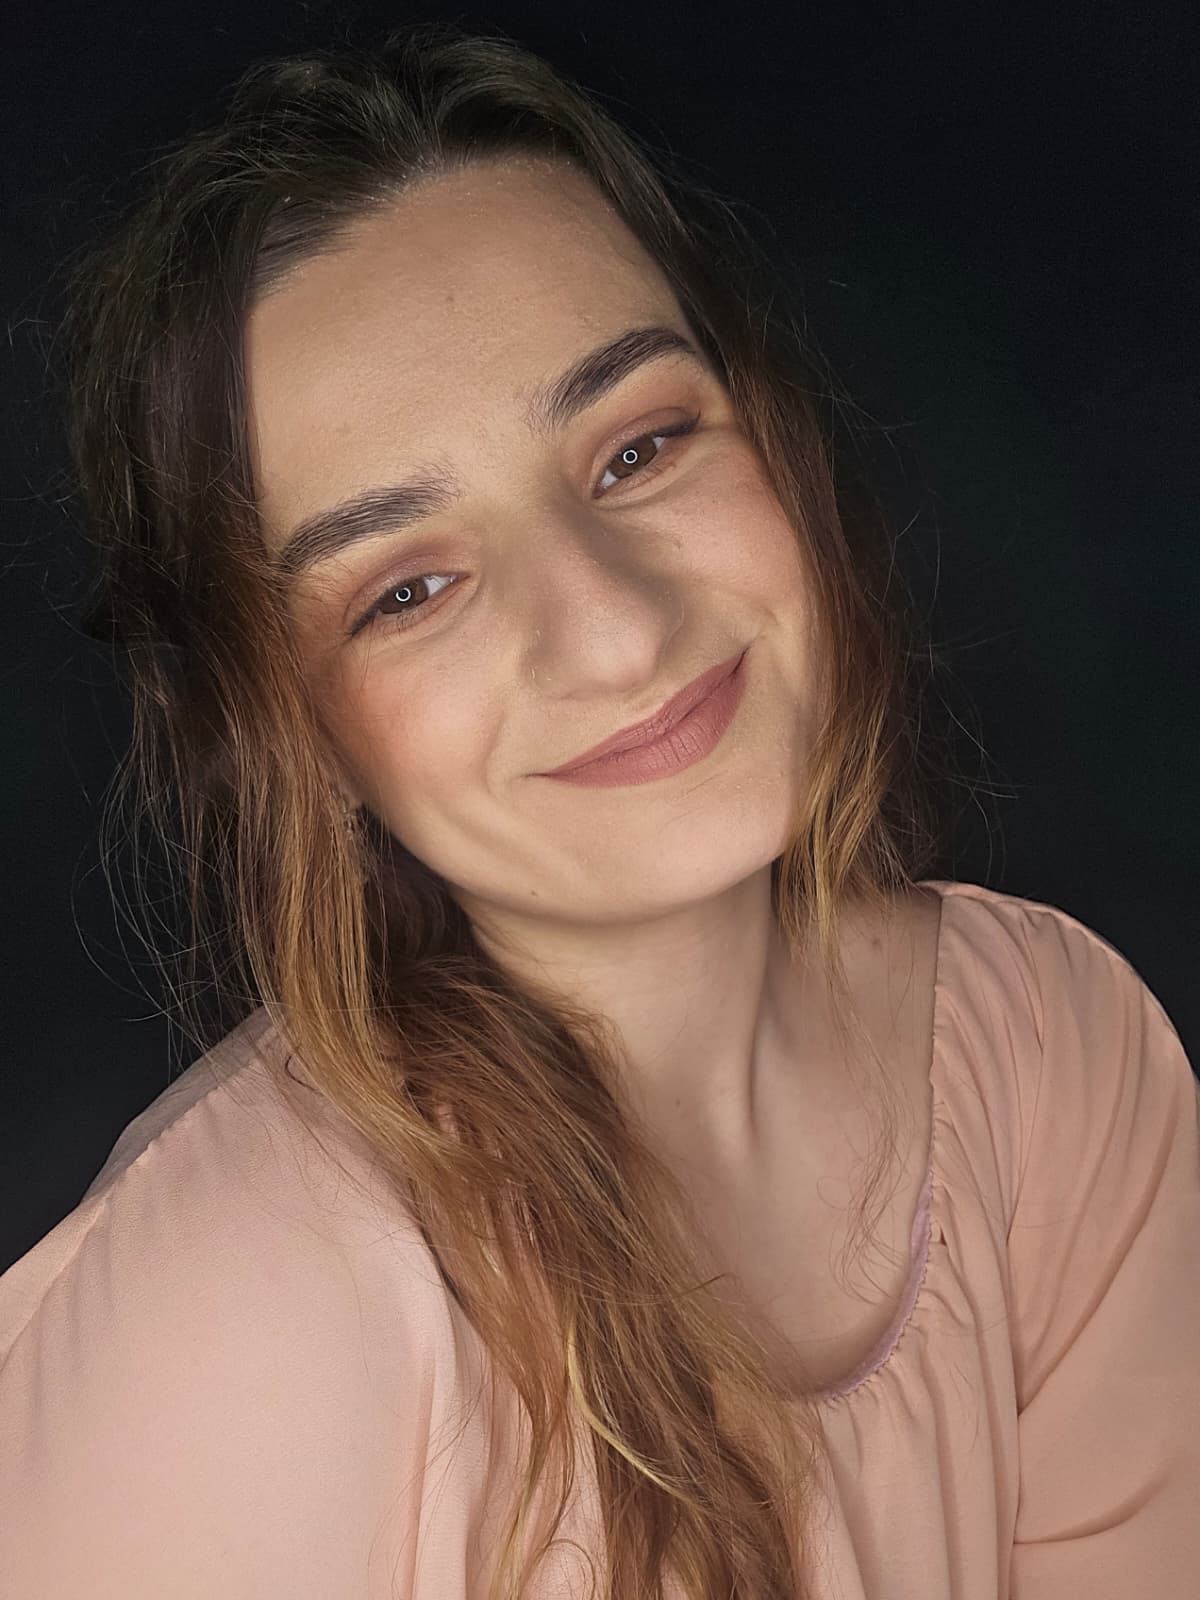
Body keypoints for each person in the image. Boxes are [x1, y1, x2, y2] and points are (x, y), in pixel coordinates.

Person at [2, 22, 1197, 1600]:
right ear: (285, 729)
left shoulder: (1055, 1056)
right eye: (409, 589)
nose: (619, 630)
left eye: (637, 448)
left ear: (773, 435)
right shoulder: (228, 1323)